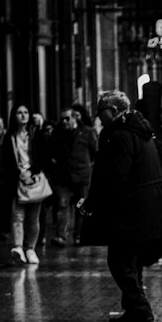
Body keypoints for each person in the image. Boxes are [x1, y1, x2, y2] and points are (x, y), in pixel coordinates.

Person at [82, 90, 162, 322]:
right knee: (130, 261)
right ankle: (133, 310)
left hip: (130, 210)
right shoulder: (141, 130)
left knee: (120, 261)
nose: (97, 116)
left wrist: (96, 203)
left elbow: (116, 176)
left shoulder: (121, 135)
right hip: (144, 207)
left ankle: (141, 311)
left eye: (100, 111)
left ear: (113, 111)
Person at [0, 103, 48, 266]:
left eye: (26, 112)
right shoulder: (9, 137)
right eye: (19, 112)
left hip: (34, 181)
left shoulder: (36, 134)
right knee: (17, 215)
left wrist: (31, 172)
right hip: (17, 181)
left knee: (33, 217)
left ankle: (30, 248)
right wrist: (19, 174)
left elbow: (43, 156)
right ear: (14, 116)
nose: (23, 115)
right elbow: (6, 161)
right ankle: (18, 247)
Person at [47, 105, 97, 245]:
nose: (64, 122)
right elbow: (50, 151)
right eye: (62, 119)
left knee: (81, 207)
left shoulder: (86, 132)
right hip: (63, 177)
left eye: (67, 119)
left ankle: (79, 236)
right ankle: (61, 236)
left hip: (81, 177)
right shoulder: (57, 134)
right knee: (62, 205)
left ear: (74, 117)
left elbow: (94, 152)